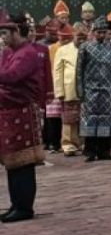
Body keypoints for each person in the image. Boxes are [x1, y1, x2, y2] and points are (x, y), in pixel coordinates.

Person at [0, 13, 46, 222]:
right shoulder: (10, 52)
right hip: (10, 112)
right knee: (12, 162)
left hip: (23, 112)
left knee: (23, 163)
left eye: (5, 33)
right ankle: (16, 203)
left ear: (16, 31)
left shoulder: (27, 53)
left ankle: (24, 207)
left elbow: (11, 76)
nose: (3, 38)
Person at [77, 19, 111, 161]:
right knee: (90, 119)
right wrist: (80, 90)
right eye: (99, 32)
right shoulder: (85, 47)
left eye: (104, 32)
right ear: (94, 32)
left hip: (107, 89)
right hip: (90, 89)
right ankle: (90, 151)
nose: (101, 35)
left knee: (106, 120)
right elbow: (79, 71)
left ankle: (104, 151)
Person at [52, 24, 86, 157]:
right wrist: (59, 91)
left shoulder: (89, 48)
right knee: (69, 119)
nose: (82, 40)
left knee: (84, 118)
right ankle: (68, 144)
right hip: (69, 89)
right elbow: (58, 71)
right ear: (73, 36)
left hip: (86, 91)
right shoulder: (63, 50)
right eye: (79, 37)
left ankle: (83, 143)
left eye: (84, 37)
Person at [44, 23, 74, 151]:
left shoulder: (74, 48)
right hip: (53, 84)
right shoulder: (51, 48)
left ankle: (67, 142)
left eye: (68, 38)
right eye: (63, 38)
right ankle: (53, 142)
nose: (65, 40)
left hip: (69, 87)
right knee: (52, 116)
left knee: (68, 116)